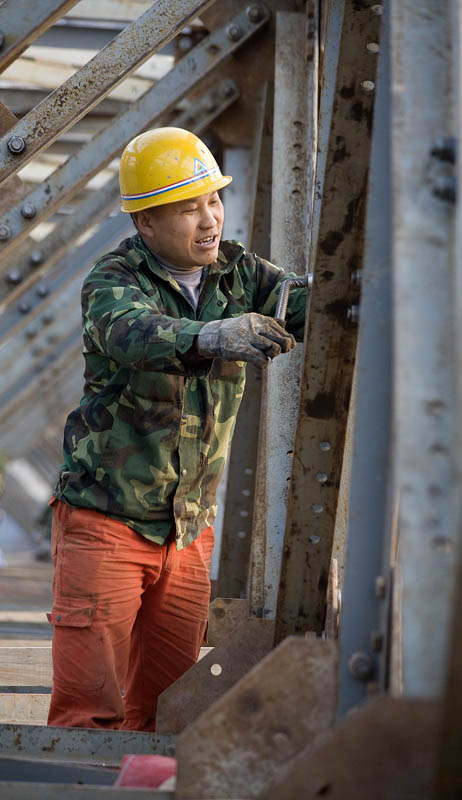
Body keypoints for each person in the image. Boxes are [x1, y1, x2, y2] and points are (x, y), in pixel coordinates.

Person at [47, 127, 307, 730]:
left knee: (167, 715)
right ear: (145, 224)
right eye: (188, 208)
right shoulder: (115, 280)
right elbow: (131, 334)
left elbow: (311, 302)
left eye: (213, 200)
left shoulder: (238, 271)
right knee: (89, 715)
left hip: (187, 533)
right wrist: (211, 335)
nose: (208, 218)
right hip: (106, 523)